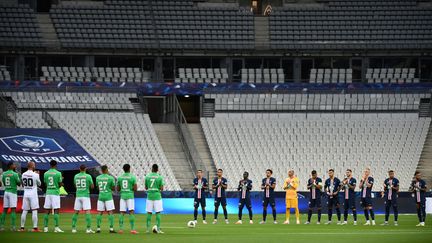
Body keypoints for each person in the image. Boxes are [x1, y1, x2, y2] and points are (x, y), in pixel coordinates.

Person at [72, 164, 95, 233]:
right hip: (85, 195)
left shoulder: (76, 176)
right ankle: (88, 229)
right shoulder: (88, 176)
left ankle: (73, 228)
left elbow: (75, 185)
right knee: (87, 212)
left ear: (79, 169)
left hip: (78, 195)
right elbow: (92, 186)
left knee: (76, 212)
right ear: (85, 169)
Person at [19, 161, 41, 232]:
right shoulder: (35, 175)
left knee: (24, 210)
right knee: (34, 210)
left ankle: (22, 228)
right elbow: (39, 184)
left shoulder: (23, 174)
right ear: (32, 166)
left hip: (26, 194)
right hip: (33, 194)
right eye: (34, 165)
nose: (35, 166)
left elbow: (22, 184)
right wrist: (38, 175)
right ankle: (35, 228)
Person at [43, 160, 64, 233]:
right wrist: (62, 183)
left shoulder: (46, 173)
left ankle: (45, 228)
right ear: (56, 165)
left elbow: (45, 184)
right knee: (56, 210)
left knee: (47, 210)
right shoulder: (58, 173)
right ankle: (56, 228)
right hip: (55, 193)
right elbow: (60, 184)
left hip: (48, 192)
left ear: (50, 165)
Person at [117, 164, 138, 234]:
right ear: (129, 169)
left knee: (122, 213)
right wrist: (130, 188)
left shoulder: (120, 177)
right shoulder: (132, 177)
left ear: (123, 169)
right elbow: (135, 189)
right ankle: (132, 229)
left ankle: (120, 229)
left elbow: (118, 189)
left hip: (123, 196)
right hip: (130, 196)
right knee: (131, 212)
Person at [0, 162, 21, 231]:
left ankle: (1, 226)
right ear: (11, 166)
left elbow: (3, 182)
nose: (15, 166)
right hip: (13, 192)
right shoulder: (15, 174)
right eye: (14, 165)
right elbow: (18, 183)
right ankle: (13, 226)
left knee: (4, 210)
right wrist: (19, 177)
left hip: (6, 192)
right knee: (13, 210)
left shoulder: (4, 174)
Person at [96, 165, 116, 233]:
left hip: (101, 196)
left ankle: (98, 228)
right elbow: (113, 188)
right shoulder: (110, 178)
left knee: (99, 213)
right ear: (107, 169)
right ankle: (111, 228)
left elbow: (98, 187)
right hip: (108, 196)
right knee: (110, 212)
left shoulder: (98, 178)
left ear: (101, 170)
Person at [145, 164, 165, 233]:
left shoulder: (147, 176)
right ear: (157, 169)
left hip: (149, 196)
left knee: (149, 212)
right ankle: (158, 229)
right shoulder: (159, 177)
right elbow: (162, 188)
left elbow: (146, 187)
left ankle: (147, 229)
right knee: (158, 212)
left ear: (152, 169)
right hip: (157, 196)